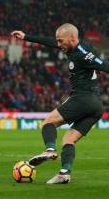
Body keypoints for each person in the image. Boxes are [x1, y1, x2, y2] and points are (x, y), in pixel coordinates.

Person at [11, 23, 109, 184]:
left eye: (60, 41)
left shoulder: (83, 54)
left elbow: (104, 65)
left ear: (72, 38)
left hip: (83, 97)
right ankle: (64, 173)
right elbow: (51, 42)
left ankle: (49, 150)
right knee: (69, 139)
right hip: (97, 105)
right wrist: (26, 37)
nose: (58, 44)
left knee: (48, 123)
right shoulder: (75, 47)